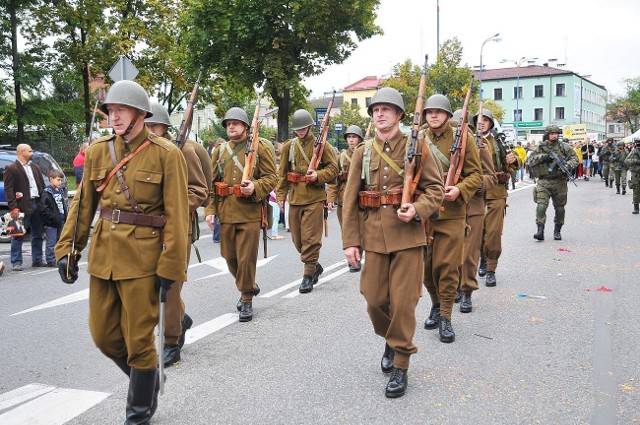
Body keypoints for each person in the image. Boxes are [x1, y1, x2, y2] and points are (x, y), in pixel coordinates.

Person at [55, 80, 189, 424]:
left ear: (140, 114)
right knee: (104, 336)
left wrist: (171, 269)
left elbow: (177, 216)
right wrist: (68, 249)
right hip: (103, 257)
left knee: (139, 340)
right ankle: (149, 379)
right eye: (110, 111)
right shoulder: (99, 150)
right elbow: (83, 206)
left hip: (144, 261)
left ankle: (138, 413)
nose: (114, 117)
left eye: (121, 110)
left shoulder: (166, 154)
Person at [342, 87, 444, 398]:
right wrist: (351, 241)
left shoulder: (418, 147)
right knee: (373, 300)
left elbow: (435, 190)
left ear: (399, 115)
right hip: (373, 236)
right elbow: (349, 201)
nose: (380, 114)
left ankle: (401, 361)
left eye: (386, 109)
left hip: (408, 238)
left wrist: (417, 208)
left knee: (403, 303)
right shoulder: (363, 151)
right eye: (375, 110)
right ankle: (390, 337)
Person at [145, 102, 210, 367]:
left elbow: (198, 190)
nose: (150, 130)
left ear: (165, 126)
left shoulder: (183, 151)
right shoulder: (141, 153)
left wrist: (173, 206)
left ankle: (171, 342)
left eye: (154, 125)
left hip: (176, 229)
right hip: (145, 231)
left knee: (168, 289)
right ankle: (180, 319)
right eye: (146, 125)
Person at [205, 107, 277, 321]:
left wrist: (254, 187)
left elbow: (271, 178)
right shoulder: (219, 151)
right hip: (226, 213)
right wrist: (210, 210)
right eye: (228, 124)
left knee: (246, 260)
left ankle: (246, 299)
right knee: (229, 257)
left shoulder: (260, 147)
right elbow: (212, 184)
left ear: (246, 126)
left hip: (250, 212)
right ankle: (250, 286)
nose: (231, 126)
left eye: (235, 123)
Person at [421, 94, 482, 343]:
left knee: (446, 268)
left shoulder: (464, 138)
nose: (433, 115)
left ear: (447, 115)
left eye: (438, 111)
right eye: (429, 112)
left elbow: (476, 175)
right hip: (425, 214)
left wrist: (460, 190)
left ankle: (445, 316)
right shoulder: (417, 137)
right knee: (426, 270)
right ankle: (436, 304)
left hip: (452, 213)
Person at [276, 109, 338, 293]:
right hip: (295, 198)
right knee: (297, 240)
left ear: (310, 126)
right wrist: (280, 196)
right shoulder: (289, 146)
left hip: (314, 198)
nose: (300, 131)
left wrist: (317, 175)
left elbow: (334, 169)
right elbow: (282, 174)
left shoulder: (322, 145)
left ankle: (308, 275)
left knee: (311, 239)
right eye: (298, 129)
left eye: (304, 128)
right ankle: (315, 265)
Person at [457, 109, 496, 312]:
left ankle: (466, 291)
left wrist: (472, 183)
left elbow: (491, 178)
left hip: (473, 207)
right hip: (448, 208)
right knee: (448, 254)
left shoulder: (479, 147)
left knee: (470, 254)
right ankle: (452, 285)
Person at [478, 111, 520, 288]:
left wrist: (513, 159)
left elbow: (514, 162)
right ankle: (482, 257)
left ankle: (491, 269)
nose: (482, 123)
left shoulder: (499, 141)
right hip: (475, 193)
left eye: (486, 120)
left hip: (496, 192)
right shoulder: (469, 140)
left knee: (494, 232)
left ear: (490, 123)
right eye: (479, 120)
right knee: (478, 232)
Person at [528, 124, 579, 241]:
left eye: (556, 133)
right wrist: (544, 157)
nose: (554, 135)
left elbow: (575, 158)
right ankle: (540, 231)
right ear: (547, 135)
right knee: (541, 206)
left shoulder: (564, 147)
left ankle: (557, 230)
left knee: (560, 208)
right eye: (551, 133)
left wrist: (567, 165)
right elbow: (530, 160)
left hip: (559, 181)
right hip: (543, 181)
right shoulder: (541, 147)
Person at [327, 124, 364, 272]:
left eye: (354, 137)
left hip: (362, 200)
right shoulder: (341, 157)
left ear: (359, 138)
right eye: (349, 137)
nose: (351, 140)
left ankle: (358, 255)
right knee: (347, 230)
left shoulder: (366, 154)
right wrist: (330, 198)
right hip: (344, 200)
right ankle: (352, 258)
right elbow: (333, 180)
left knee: (361, 230)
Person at [4, 143, 46, 271]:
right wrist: (13, 207)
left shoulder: (35, 167)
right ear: (22, 152)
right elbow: (9, 189)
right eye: (29, 151)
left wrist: (44, 201)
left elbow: (41, 185)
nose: (32, 153)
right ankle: (16, 262)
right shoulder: (11, 168)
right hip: (21, 207)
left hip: (37, 203)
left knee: (38, 233)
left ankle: (37, 259)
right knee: (18, 234)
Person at [40, 170, 68, 267]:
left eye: (61, 180)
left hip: (61, 219)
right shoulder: (47, 192)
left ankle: (58, 258)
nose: (60, 182)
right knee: (51, 241)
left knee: (59, 240)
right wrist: (52, 217)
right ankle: (51, 260)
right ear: (51, 179)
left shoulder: (60, 191)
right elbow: (44, 208)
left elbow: (64, 204)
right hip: (52, 222)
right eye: (58, 180)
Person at [625, 138, 640, 214]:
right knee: (636, 190)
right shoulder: (634, 152)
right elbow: (627, 160)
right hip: (636, 174)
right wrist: (636, 161)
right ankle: (636, 207)